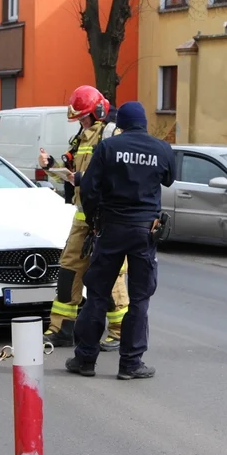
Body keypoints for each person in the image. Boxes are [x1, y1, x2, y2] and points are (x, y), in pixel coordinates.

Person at [65, 101, 175, 380]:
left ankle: (85, 359)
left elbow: (89, 188)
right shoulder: (161, 149)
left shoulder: (108, 147)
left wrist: (93, 221)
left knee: (98, 295)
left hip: (111, 229)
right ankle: (131, 363)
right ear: (145, 122)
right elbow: (170, 179)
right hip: (144, 232)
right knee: (139, 299)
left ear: (121, 124)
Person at [38, 85, 129, 352]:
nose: (81, 121)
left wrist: (82, 181)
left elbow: (117, 176)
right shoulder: (83, 138)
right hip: (82, 218)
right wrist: (49, 165)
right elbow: (69, 172)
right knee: (68, 270)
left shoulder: (112, 135)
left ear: (99, 111)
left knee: (112, 273)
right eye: (79, 118)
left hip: (107, 217)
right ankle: (62, 328)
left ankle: (119, 331)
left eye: (84, 117)